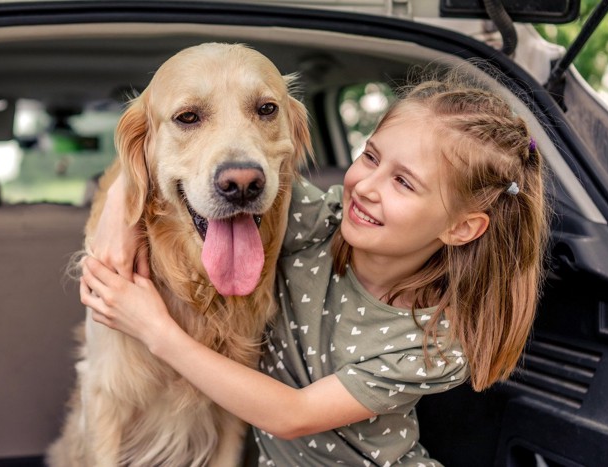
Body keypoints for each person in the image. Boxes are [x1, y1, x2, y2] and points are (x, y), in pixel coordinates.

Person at [80, 73, 549, 466]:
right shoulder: (319, 223)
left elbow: (292, 415)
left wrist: (155, 330)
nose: (366, 186)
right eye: (370, 157)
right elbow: (205, 164)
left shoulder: (433, 343)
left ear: (462, 228)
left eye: (404, 182)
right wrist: (122, 203)